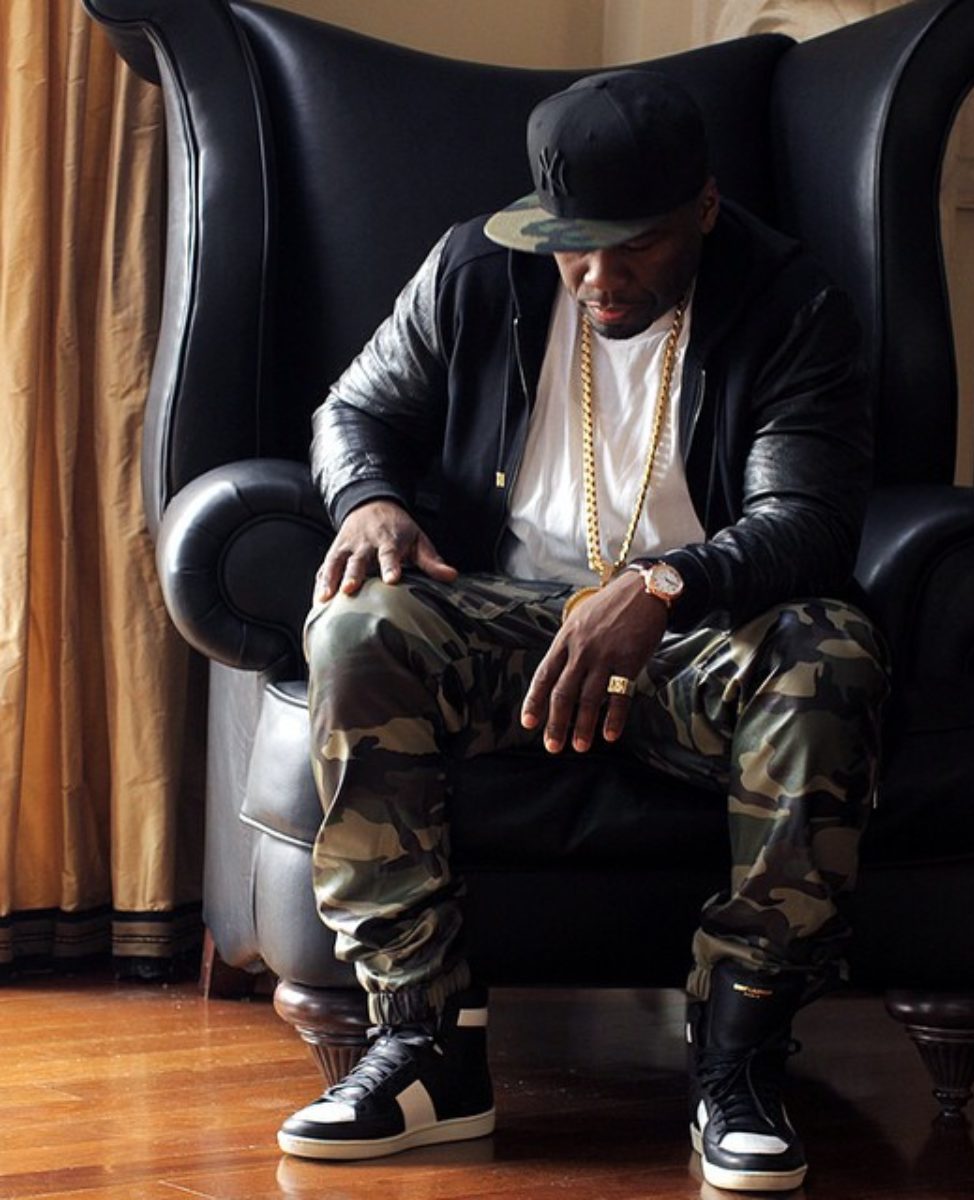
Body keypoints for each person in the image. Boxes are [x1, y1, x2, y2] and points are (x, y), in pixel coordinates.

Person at [277, 69, 888, 1193]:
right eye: (574, 246)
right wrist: (368, 498)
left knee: (828, 653)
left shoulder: (791, 303)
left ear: (704, 208)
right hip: (508, 623)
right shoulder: (474, 270)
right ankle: (424, 1047)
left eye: (637, 244)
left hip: (700, 634)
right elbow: (353, 408)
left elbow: (806, 520)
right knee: (360, 626)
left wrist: (663, 587)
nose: (600, 278)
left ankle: (739, 1054)